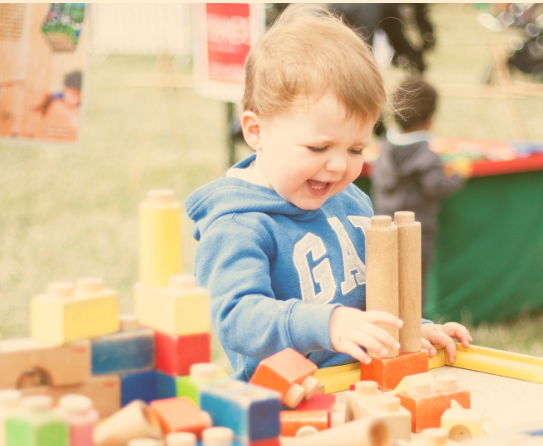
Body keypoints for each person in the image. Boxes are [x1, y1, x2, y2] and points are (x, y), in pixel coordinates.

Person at [184, 5, 471, 382]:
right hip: (291, 402)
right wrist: (327, 324)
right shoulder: (238, 224)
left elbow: (374, 298)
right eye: (319, 148)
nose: (338, 167)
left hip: (368, 388)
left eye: (355, 149)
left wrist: (411, 330)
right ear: (255, 131)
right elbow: (236, 317)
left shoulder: (351, 200)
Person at [370, 76, 468, 308]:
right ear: (430, 120)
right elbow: (435, 186)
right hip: (417, 232)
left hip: (382, 225)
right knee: (413, 284)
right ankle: (415, 324)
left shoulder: (386, 145)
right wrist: (459, 174)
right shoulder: (426, 153)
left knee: (384, 281)